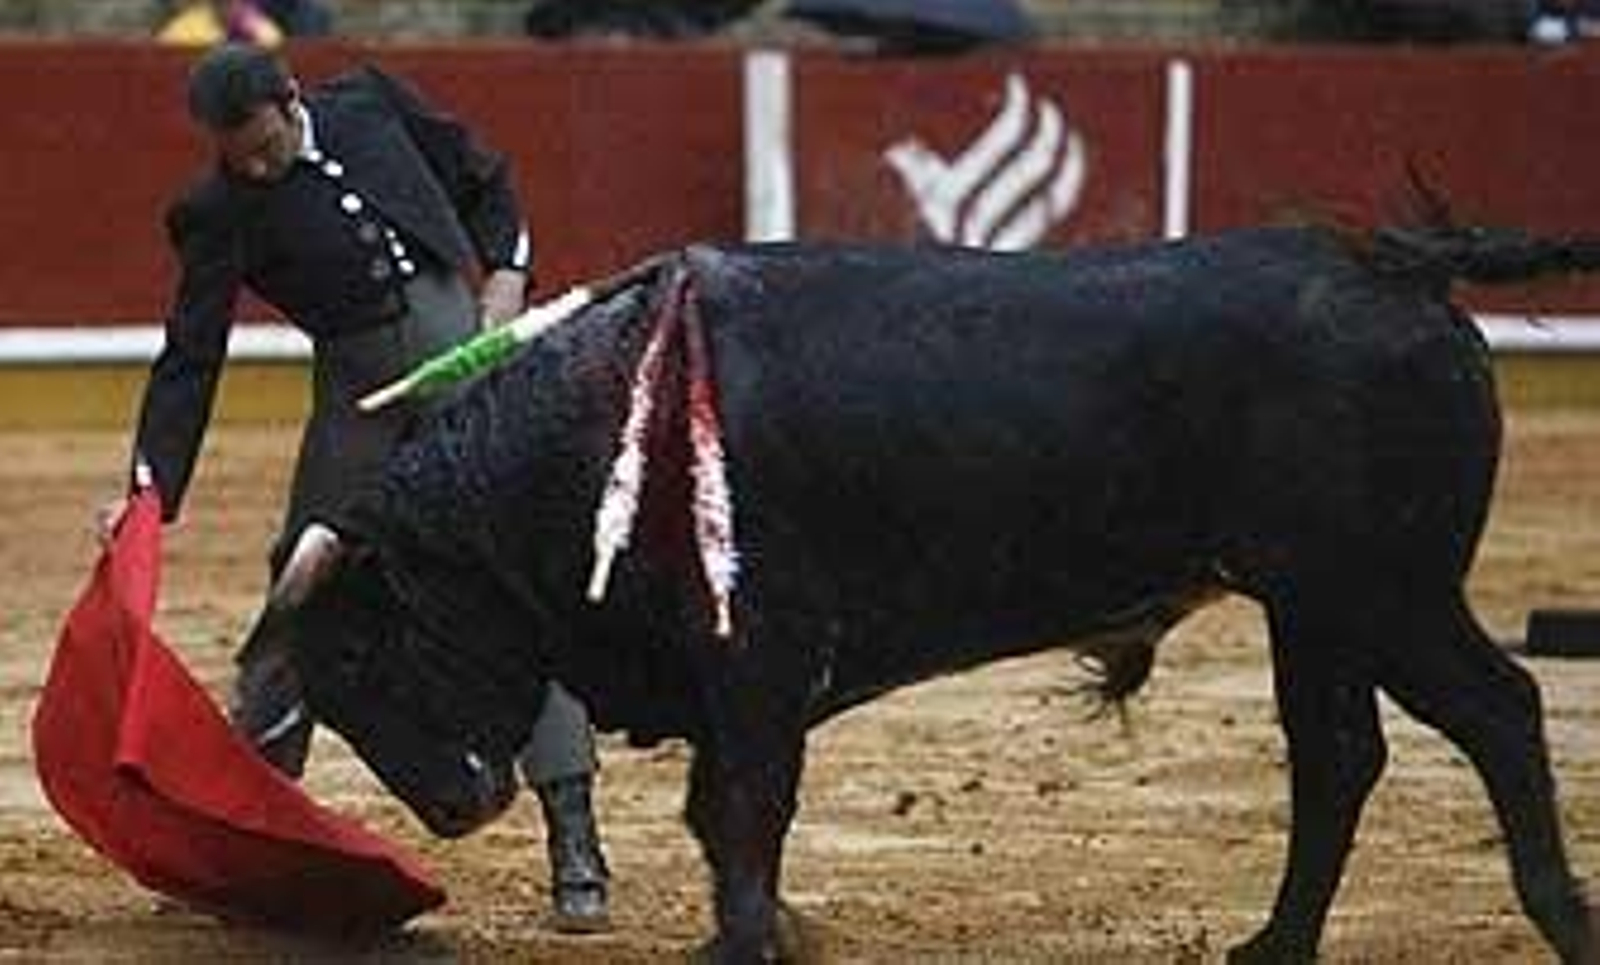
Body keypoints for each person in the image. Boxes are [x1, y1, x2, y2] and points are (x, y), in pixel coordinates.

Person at [95, 43, 610, 933]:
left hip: (471, 379)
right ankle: (245, 833)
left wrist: (506, 276)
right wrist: (149, 488)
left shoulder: (371, 104)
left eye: (265, 147)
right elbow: (191, 354)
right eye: (240, 159)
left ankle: (577, 844)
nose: (258, 169)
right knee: (300, 593)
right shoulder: (218, 210)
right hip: (358, 405)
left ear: (292, 100)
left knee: (519, 582)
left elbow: (485, 177)